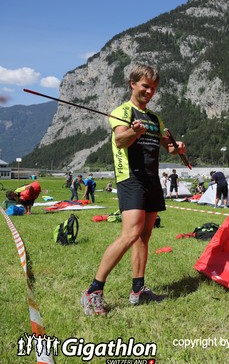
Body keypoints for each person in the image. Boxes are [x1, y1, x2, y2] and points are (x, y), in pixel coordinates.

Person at [80, 63, 186, 316]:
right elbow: (120, 140)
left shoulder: (154, 118)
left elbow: (167, 147)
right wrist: (132, 132)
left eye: (153, 88)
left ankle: (138, 290)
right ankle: (93, 291)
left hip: (151, 179)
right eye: (145, 86)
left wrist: (177, 147)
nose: (149, 92)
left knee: (144, 236)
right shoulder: (122, 111)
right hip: (131, 178)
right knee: (130, 234)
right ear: (133, 84)